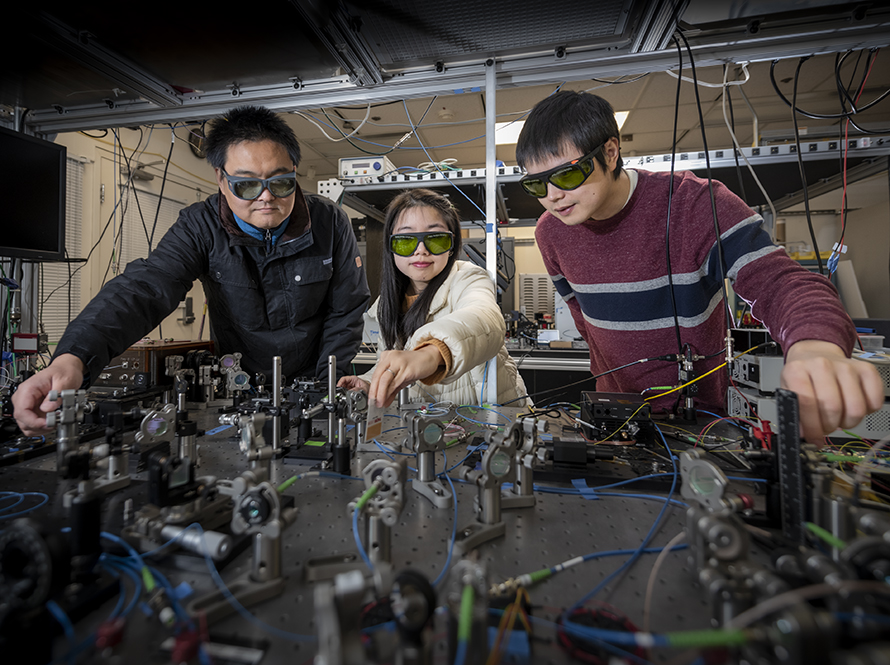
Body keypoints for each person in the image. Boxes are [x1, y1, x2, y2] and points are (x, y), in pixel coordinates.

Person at [514, 91, 883, 443]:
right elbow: (583, 317)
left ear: (610, 153)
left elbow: (780, 282)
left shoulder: (695, 204)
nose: (552, 196)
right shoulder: (552, 233)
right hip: (614, 417)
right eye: (536, 185)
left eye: (566, 175)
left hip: (701, 418)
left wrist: (814, 346)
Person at [13, 105, 370, 435]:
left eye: (280, 182)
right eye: (246, 184)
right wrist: (74, 357)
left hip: (316, 380)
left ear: (294, 171)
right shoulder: (200, 225)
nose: (266, 197)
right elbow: (146, 288)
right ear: (220, 179)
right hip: (239, 384)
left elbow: (346, 311)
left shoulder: (329, 222)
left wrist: (324, 387)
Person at [338, 188, 527, 408]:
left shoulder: (468, 277)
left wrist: (430, 353)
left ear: (452, 244)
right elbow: (391, 364)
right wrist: (369, 383)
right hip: (428, 428)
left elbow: (485, 319)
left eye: (435, 239)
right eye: (406, 241)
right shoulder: (387, 304)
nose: (421, 250)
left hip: (485, 424)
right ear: (391, 247)